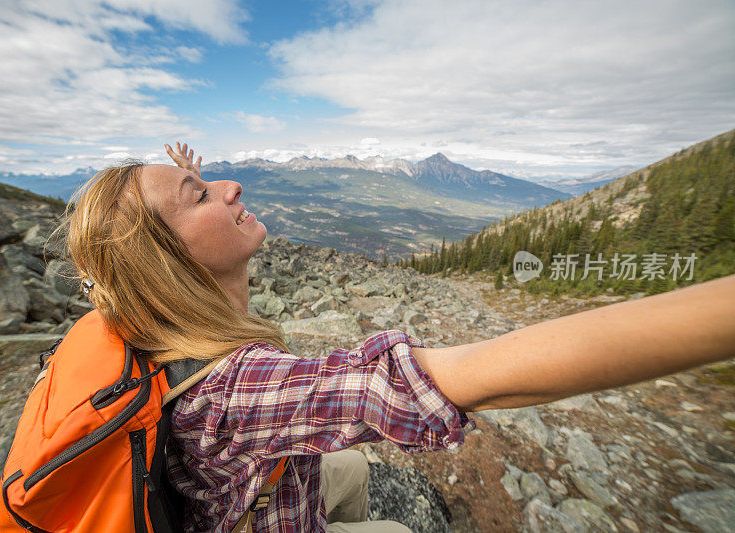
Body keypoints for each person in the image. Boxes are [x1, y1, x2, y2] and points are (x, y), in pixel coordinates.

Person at [59, 141, 735, 533]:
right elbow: (454, 377)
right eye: (200, 194)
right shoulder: (240, 392)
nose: (231, 186)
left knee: (349, 468)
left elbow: (148, 248)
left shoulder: (152, 321)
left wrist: (187, 185)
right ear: (165, 262)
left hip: (229, 487)